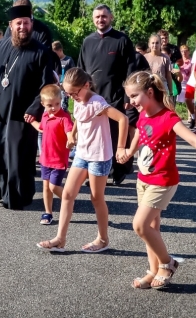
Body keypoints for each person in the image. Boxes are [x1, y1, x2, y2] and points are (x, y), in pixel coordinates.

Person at [118, 71, 196, 289]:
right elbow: (139, 135)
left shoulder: (168, 118)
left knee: (140, 225)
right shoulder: (143, 113)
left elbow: (194, 140)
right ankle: (152, 270)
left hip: (163, 180)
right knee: (151, 227)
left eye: (134, 96)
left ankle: (167, 263)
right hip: (143, 178)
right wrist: (128, 150)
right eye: (129, 97)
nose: (131, 102)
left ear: (150, 92)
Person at [37, 67, 128, 252]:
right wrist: (73, 135)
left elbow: (123, 119)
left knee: (96, 198)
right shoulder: (77, 100)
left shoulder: (97, 103)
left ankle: (103, 239)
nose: (71, 97)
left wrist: (120, 147)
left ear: (86, 85)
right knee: (68, 194)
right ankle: (60, 239)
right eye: (68, 94)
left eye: (74, 93)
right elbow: (78, 116)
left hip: (99, 157)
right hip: (82, 154)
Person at [0, 0, 55, 209]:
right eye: (18, 23)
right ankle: (1, 188)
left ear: (31, 24)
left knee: (17, 159)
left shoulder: (41, 52)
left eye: (26, 23)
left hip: (22, 113)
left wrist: (35, 107)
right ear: (11, 25)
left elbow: (47, 86)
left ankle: (19, 195)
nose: (22, 27)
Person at [78, 4, 138, 186]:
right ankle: (94, 173)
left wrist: (129, 97)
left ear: (111, 18)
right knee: (94, 137)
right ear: (93, 19)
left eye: (104, 16)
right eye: (97, 17)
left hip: (116, 96)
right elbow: (80, 70)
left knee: (115, 135)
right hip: (92, 98)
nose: (100, 20)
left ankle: (119, 169)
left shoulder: (122, 40)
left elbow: (131, 70)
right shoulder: (88, 41)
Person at [30, 84, 73, 225]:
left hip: (59, 159)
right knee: (46, 187)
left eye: (57, 104)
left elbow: (69, 131)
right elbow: (41, 128)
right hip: (45, 159)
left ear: (61, 100)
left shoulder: (64, 117)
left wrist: (71, 139)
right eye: (50, 105)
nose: (54, 107)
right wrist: (32, 121)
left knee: (54, 187)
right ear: (43, 104)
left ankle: (68, 200)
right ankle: (48, 213)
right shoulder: (45, 116)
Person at [52, 41, 75, 111]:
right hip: (55, 87)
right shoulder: (54, 61)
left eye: (55, 53)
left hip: (64, 88)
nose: (54, 55)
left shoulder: (68, 60)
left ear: (60, 50)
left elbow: (73, 74)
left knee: (63, 107)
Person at [177, 45, 192, 120]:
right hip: (179, 81)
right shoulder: (179, 61)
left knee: (189, 99)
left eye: (186, 50)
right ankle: (176, 115)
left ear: (189, 51)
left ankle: (190, 116)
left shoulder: (191, 61)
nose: (184, 52)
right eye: (182, 51)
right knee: (176, 99)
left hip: (188, 82)